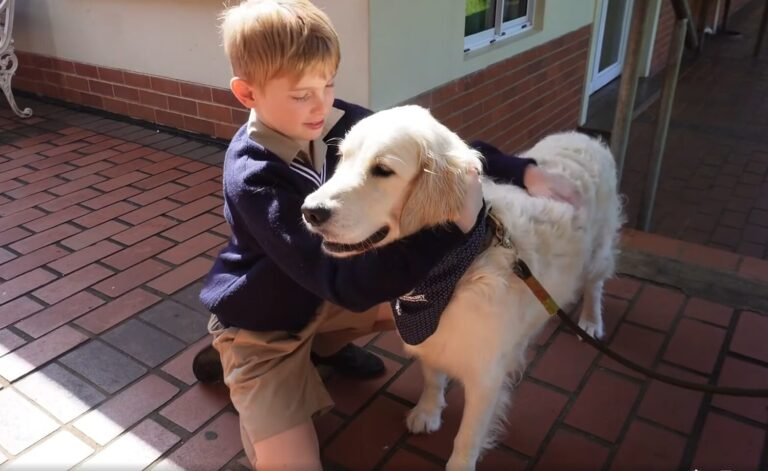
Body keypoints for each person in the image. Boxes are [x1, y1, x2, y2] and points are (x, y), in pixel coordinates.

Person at [196, 1, 581, 468]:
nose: (320, 105)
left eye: (328, 84)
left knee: (437, 302)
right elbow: (342, 284)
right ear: (247, 93)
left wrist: (523, 171)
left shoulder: (334, 121)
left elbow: (434, 147)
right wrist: (454, 225)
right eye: (301, 94)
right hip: (265, 327)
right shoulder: (253, 176)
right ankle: (237, 362)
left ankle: (324, 348)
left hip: (321, 301)